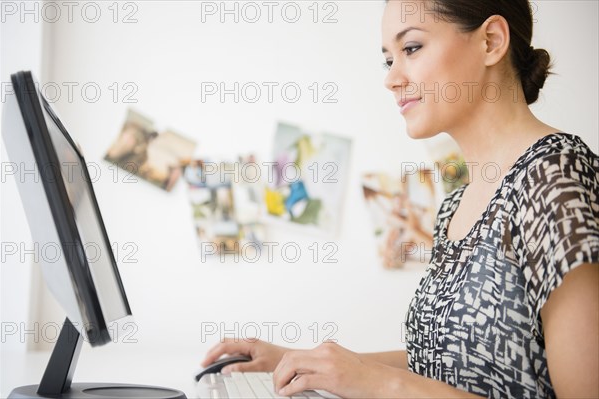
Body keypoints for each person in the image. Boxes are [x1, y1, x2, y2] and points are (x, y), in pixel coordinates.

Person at [201, 0, 599, 397]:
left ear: (491, 41)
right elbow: (449, 363)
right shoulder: (454, 207)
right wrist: (301, 362)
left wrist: (378, 383)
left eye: (410, 48)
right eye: (387, 60)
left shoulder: (556, 179)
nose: (392, 79)